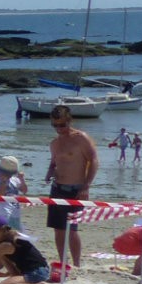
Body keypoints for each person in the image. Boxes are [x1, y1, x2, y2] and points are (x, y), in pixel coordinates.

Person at [45, 105, 97, 267]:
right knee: (58, 229)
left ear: (69, 121)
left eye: (62, 125)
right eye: (55, 125)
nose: (59, 129)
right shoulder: (55, 143)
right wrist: (49, 172)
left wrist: (86, 186)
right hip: (57, 188)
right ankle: (63, 262)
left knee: (71, 230)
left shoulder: (81, 138)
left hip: (75, 189)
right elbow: (54, 162)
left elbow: (93, 160)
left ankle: (76, 264)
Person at [0, 156, 26, 231]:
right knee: (5, 233)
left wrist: (22, 179)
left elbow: (24, 190)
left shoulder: (14, 179)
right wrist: (4, 181)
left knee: (16, 233)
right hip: (3, 212)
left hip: (15, 211)